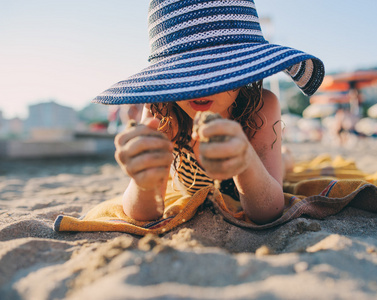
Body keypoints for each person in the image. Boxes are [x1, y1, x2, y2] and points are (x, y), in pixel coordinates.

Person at [93, 0, 324, 225]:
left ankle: (286, 155)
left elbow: (267, 211)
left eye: (218, 69)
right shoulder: (162, 111)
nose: (201, 86)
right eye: (184, 73)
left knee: (284, 163)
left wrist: (245, 159)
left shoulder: (261, 106)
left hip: (267, 165)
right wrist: (142, 182)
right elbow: (145, 212)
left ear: (244, 68)